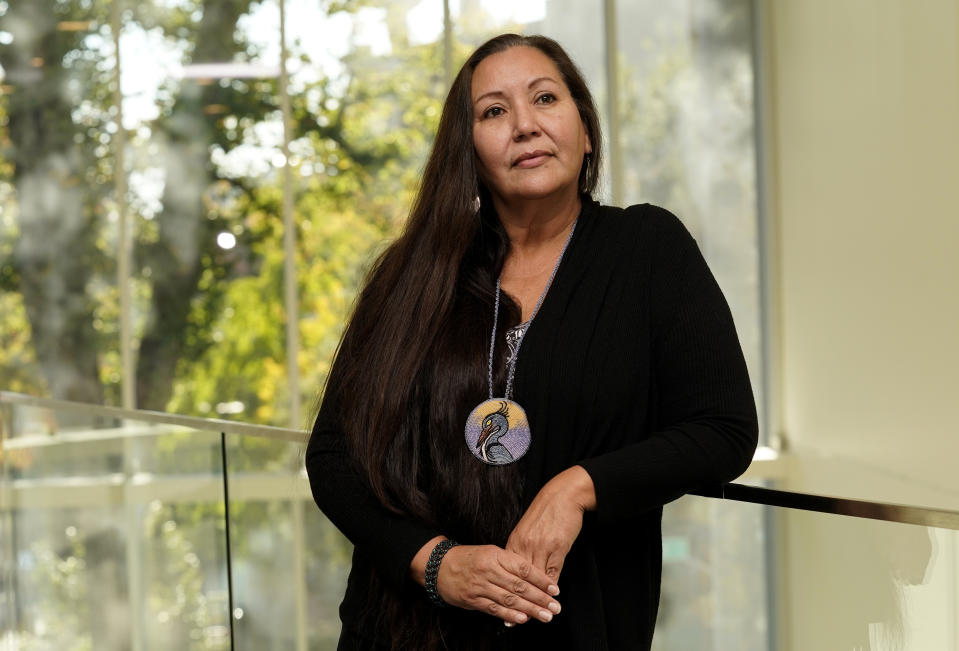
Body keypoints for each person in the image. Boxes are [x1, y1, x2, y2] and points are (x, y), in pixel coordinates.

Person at [306, 33, 758, 651]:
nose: (524, 125)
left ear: (586, 128)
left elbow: (722, 429)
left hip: (572, 630)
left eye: (545, 98)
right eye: (494, 111)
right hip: (400, 631)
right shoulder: (411, 275)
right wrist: (433, 561)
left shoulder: (648, 249)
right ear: (468, 150)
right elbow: (334, 456)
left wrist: (577, 488)